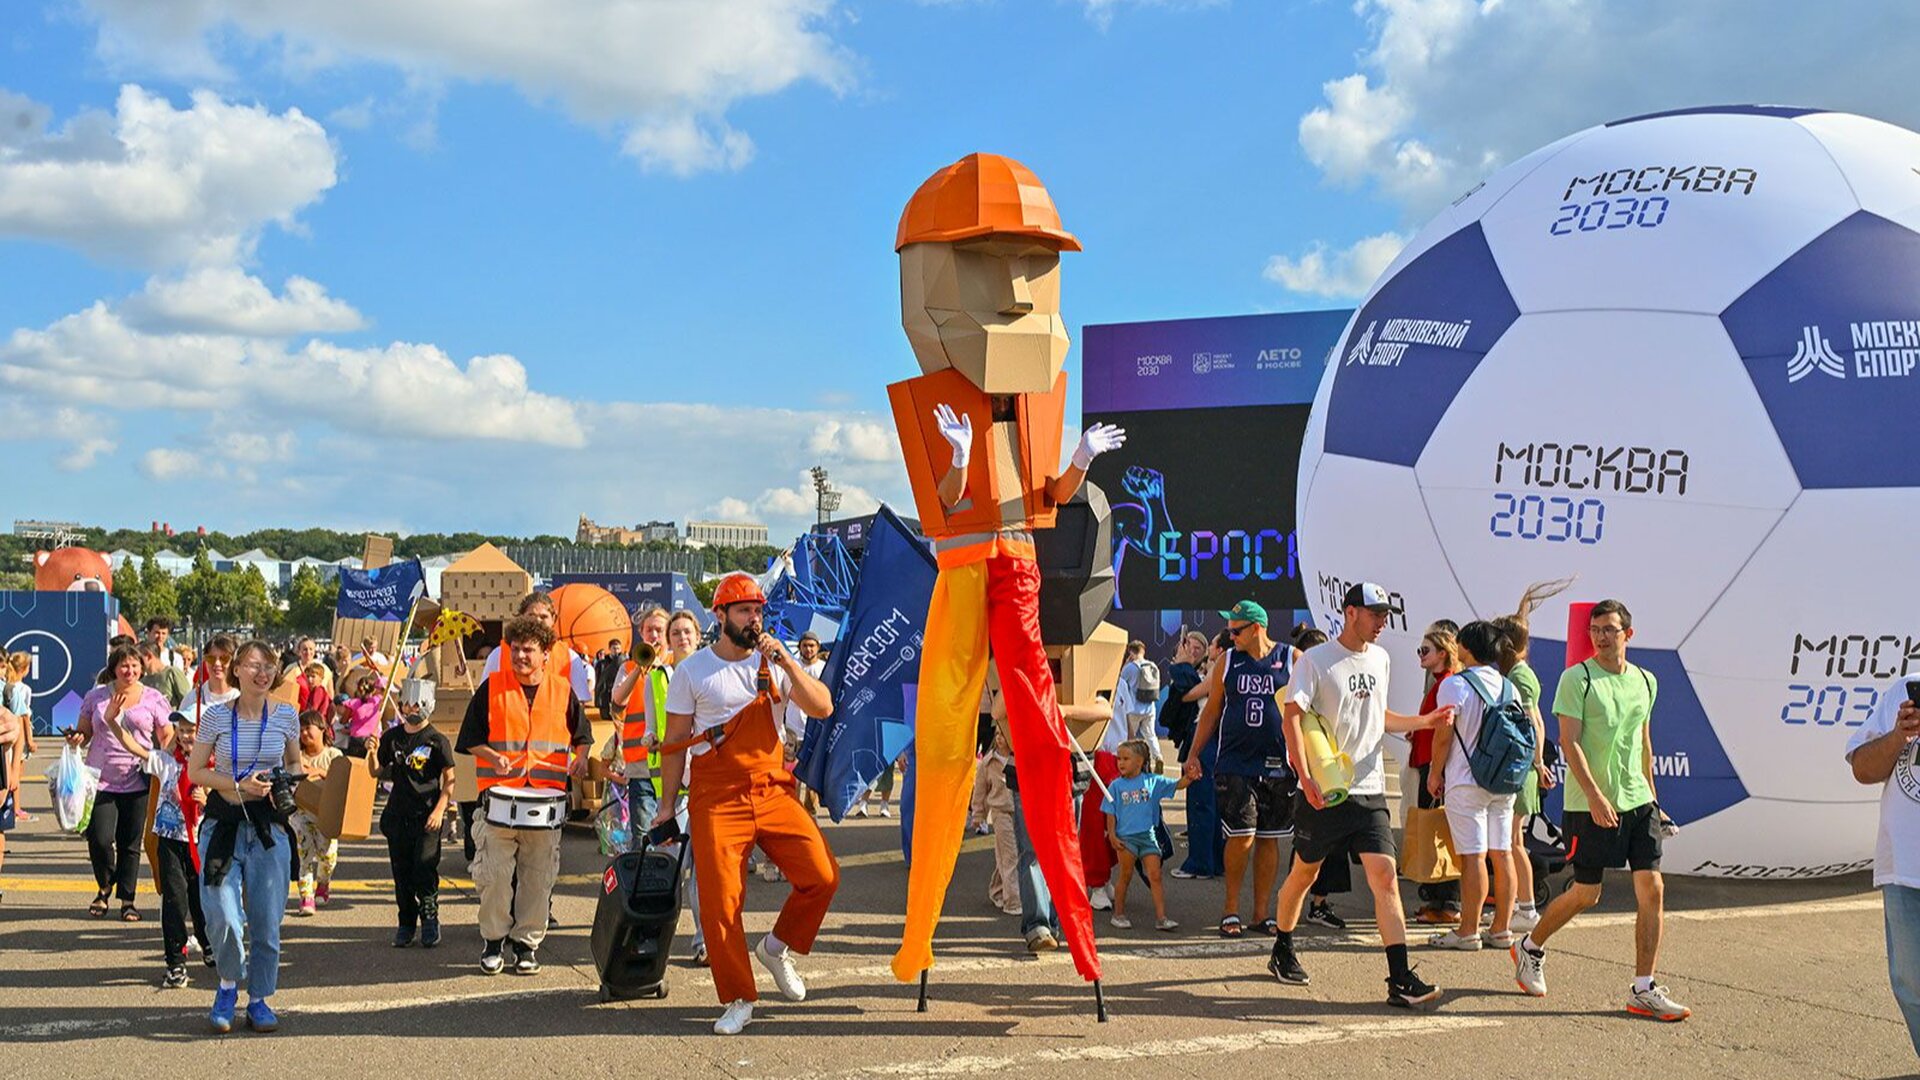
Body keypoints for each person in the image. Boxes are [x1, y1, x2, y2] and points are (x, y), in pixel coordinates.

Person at [649, 573, 838, 1035]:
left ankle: (775, 948)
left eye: (757, 610)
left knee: (822, 875)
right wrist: (667, 807)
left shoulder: (775, 662)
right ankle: (739, 996)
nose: (754, 619)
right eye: (744, 611)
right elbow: (674, 743)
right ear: (721, 616)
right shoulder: (693, 671)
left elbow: (823, 707)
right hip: (715, 795)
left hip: (772, 788)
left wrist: (787, 661)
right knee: (720, 902)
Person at [1270, 583, 1454, 1009]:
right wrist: (1305, 776)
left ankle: (1399, 979)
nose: (1382, 622)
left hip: (1369, 790)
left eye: (1385, 614)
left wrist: (1425, 721)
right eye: (1374, 614)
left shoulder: (1381, 659)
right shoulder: (1315, 661)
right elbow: (1292, 718)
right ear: (1350, 612)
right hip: (1325, 791)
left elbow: (1378, 716)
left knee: (1385, 877)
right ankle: (1282, 946)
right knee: (1304, 876)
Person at [1513, 599, 1689, 1022]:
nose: (1601, 637)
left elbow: (1643, 744)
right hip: (1587, 804)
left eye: (1610, 629)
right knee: (1586, 893)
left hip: (1638, 801)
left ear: (1628, 634)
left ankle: (1643, 988)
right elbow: (1569, 742)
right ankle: (1530, 947)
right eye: (1595, 629)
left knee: (1653, 888)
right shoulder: (1578, 679)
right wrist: (1594, 796)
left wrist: (1655, 801)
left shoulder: (1646, 680)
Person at [457, 615, 592, 977]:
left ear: (545, 653)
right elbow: (469, 738)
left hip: (545, 805)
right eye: (515, 649)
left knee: (538, 878)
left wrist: (580, 759)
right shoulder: (491, 688)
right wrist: (492, 757)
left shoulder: (563, 691)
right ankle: (493, 942)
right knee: (495, 878)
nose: (519, 656)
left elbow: (583, 736)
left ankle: (527, 945)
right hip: (499, 803)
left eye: (528, 650)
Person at [188, 639, 303, 1034]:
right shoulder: (217, 716)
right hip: (224, 825)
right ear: (237, 670)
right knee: (222, 915)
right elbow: (196, 771)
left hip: (269, 828)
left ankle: (259, 999)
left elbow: (294, 761)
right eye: (254, 665)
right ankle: (227, 985)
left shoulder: (286, 714)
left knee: (267, 922)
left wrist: (284, 780)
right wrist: (238, 785)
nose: (262, 672)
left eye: (269, 665)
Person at [1181, 601, 1291, 938]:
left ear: (1257, 628)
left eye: (1237, 630)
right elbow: (1211, 711)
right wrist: (1194, 753)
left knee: (1269, 839)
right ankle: (1230, 908)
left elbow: (1309, 709)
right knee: (1241, 836)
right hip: (1236, 762)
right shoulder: (1228, 661)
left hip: (1276, 762)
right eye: (1229, 630)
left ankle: (1261, 913)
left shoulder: (1291, 658)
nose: (1231, 636)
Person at [1425, 621, 1520, 952]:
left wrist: (1435, 773)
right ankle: (1502, 928)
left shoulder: (1455, 685)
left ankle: (1468, 931)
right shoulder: (1509, 687)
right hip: (1503, 781)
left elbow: (1443, 735)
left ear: (1465, 647)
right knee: (1502, 853)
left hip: (1466, 780)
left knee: (1473, 857)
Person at [100, 703, 209, 986]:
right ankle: (175, 962)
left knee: (202, 901)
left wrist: (207, 800)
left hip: (203, 843)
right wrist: (112, 722)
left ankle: (208, 942)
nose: (186, 736)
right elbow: (133, 746)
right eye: (181, 730)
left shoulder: (213, 767)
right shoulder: (165, 761)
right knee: (174, 900)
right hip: (170, 841)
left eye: (192, 730)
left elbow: (228, 798)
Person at [1491, 577, 1573, 935]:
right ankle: (1521, 907)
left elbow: (1534, 722)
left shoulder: (1519, 677)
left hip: (1521, 770)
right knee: (1514, 842)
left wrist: (1538, 763)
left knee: (1512, 842)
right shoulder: (1515, 673)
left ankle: (1524, 908)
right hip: (1524, 768)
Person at [71, 643, 174, 921]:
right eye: (124, 666)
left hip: (138, 779)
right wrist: (77, 737)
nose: (130, 671)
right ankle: (105, 886)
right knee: (100, 838)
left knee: (130, 843)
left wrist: (168, 761)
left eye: (135, 665)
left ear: (142, 668)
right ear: (113, 669)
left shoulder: (154, 698)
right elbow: (85, 731)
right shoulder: (96, 697)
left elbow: (166, 735)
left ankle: (127, 900)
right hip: (100, 779)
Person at [1846, 678, 1920, 1055]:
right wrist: (1898, 737)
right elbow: (1862, 769)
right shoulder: (1904, 690)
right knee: (1911, 983)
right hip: (1904, 867)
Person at [372, 690, 454, 948]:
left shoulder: (437, 741)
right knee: (402, 872)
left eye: (417, 704)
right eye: (407, 703)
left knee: (424, 867)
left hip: (426, 817)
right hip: (398, 815)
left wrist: (439, 810)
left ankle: (430, 918)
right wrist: (372, 751)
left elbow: (450, 779)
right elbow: (376, 770)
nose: (411, 709)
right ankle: (406, 922)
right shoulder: (392, 737)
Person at [1104, 738, 1191, 930]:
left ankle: (1161, 918)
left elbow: (1177, 784)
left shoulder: (1153, 781)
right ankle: (1118, 914)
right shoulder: (1115, 786)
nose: (1120, 763)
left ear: (1140, 761)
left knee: (1155, 875)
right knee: (1125, 875)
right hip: (1126, 839)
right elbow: (1110, 813)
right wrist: (1112, 835)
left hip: (1148, 837)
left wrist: (1190, 777)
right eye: (1119, 759)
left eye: (1126, 759)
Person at [1409, 624, 1464, 926]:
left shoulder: (1448, 683)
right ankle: (1438, 900)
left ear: (1442, 653)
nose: (1420, 654)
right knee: (1433, 834)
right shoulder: (1440, 683)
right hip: (1428, 765)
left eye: (1425, 650)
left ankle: (1449, 902)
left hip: (1435, 769)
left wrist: (1436, 772)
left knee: (1441, 835)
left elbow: (1445, 732)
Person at [609, 606, 674, 840]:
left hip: (673, 762)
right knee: (644, 836)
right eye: (649, 630)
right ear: (641, 633)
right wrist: (640, 667)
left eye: (659, 630)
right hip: (640, 763)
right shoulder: (628, 667)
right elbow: (617, 701)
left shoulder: (677, 664)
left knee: (672, 837)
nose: (654, 636)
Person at [1172, 631, 1227, 882]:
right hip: (1213, 738)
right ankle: (1213, 860)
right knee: (1210, 803)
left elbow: (1188, 694)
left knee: (1200, 802)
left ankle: (1200, 864)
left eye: (1210, 644)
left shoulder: (1220, 669)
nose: (1206, 648)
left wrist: (1183, 665)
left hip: (1205, 737)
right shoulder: (1223, 668)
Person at [289, 712, 341, 916]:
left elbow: (343, 781)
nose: (304, 733)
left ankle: (323, 883)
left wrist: (320, 772)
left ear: (322, 729)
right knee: (304, 853)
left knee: (327, 856)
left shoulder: (334, 755)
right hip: (300, 813)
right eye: (300, 730)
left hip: (327, 815)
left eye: (308, 728)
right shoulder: (296, 757)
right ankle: (306, 897)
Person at [1112, 641, 1162, 770]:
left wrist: (1125, 664)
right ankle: (1158, 757)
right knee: (1151, 735)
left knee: (1130, 738)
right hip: (1149, 707)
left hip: (1134, 708)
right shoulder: (1152, 665)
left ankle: (1132, 762)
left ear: (1131, 652)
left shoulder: (1130, 667)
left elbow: (1119, 682)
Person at [337, 668, 385, 759]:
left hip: (357, 739)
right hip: (373, 739)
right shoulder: (378, 702)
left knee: (354, 763)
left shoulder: (354, 703)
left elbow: (343, 721)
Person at [141, 642, 191, 709]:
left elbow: (189, 701)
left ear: (149, 656)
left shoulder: (172, 673)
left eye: (139, 659)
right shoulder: (142, 682)